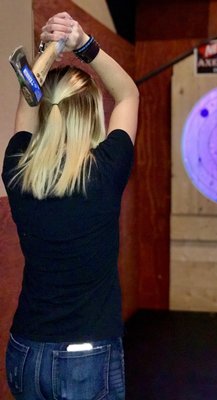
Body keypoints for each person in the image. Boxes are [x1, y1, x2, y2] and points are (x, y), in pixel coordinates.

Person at [2, 11, 139, 400]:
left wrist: (48, 51)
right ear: (93, 113)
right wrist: (83, 44)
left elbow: (29, 98)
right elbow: (129, 93)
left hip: (26, 350)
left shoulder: (18, 168)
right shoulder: (106, 170)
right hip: (86, 359)